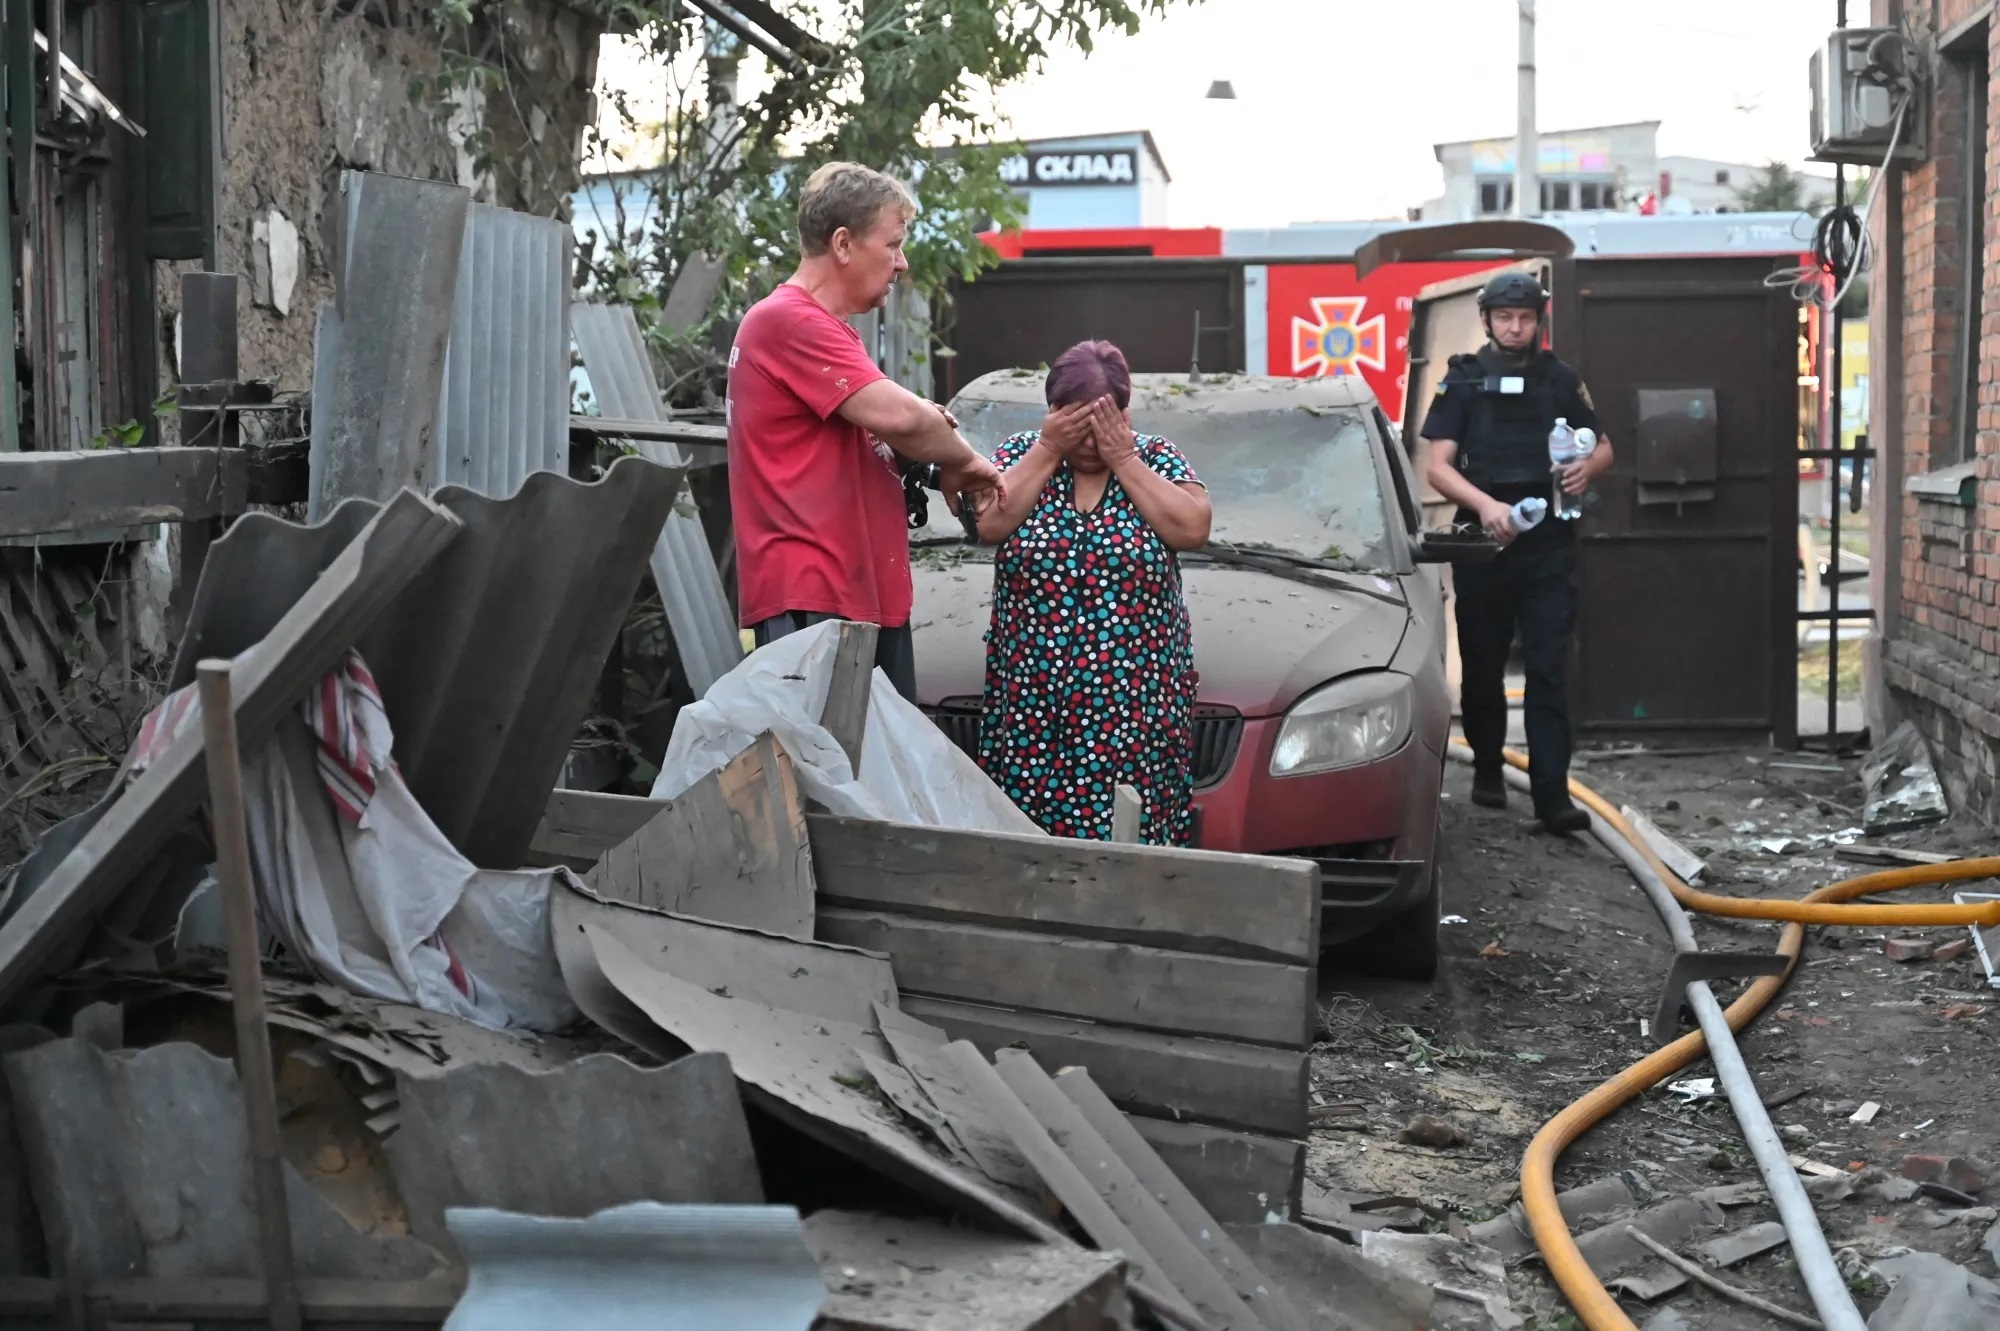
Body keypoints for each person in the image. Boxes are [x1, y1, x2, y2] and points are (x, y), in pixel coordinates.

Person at [726, 162, 1005, 700]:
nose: (901, 263)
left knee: (872, 777)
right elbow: (904, 420)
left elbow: (893, 429)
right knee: (832, 779)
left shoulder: (826, 331)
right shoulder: (789, 320)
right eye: (894, 244)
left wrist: (924, 446)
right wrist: (965, 461)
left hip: (851, 596)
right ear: (844, 243)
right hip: (818, 598)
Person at [968, 341, 1213, 844]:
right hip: (1031, 711)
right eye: (1073, 420)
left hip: (1133, 713)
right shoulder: (1020, 455)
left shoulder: (1157, 457)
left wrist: (1123, 457)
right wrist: (1049, 448)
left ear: (1124, 412)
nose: (1088, 439)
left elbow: (1193, 529)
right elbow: (987, 523)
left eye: (1099, 420)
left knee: (1128, 847)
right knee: (1026, 848)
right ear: (1052, 411)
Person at [1419, 272, 1615, 834]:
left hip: (1548, 543)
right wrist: (1484, 506)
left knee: (1549, 668)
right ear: (1487, 320)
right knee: (1482, 664)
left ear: (1538, 320)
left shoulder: (1559, 379)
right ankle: (1487, 769)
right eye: (1505, 317)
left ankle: (1552, 795)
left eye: (1525, 317)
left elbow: (1603, 446)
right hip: (1484, 543)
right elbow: (1438, 466)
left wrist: (1587, 467)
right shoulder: (1463, 379)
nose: (1515, 326)